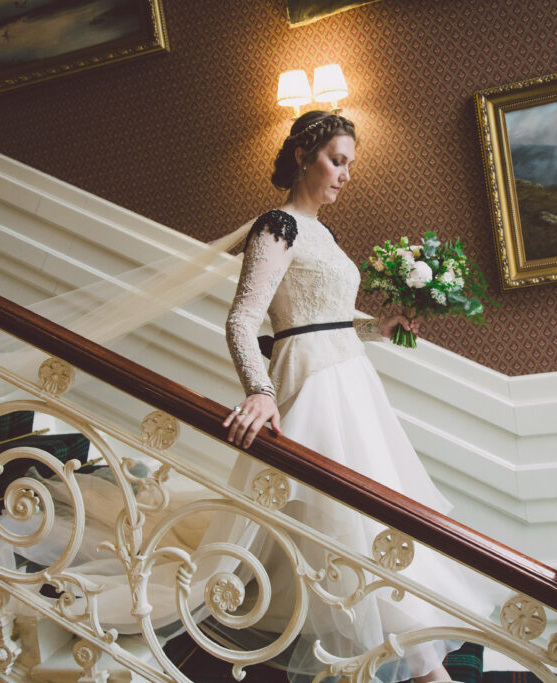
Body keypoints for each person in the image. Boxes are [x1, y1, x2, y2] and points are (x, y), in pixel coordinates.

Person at [219, 110, 502, 683]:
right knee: (351, 531)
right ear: (304, 155)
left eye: (350, 164)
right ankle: (423, 672)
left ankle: (415, 662)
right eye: (337, 161)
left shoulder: (325, 232)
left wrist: (382, 325)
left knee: (381, 526)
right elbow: (243, 321)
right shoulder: (278, 225)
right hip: (312, 387)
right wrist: (261, 392)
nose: (346, 174)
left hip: (350, 379)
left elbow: (330, 320)